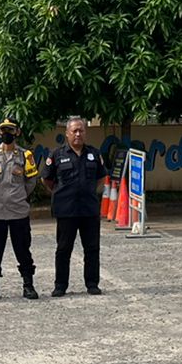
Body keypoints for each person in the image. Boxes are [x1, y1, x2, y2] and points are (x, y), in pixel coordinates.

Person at [42, 116, 108, 296]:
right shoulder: (56, 154)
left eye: (81, 130)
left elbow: (101, 177)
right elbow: (47, 179)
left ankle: (92, 283)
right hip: (66, 210)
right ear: (67, 133)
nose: (78, 134)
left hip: (89, 209)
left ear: (85, 132)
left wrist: (89, 191)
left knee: (92, 249)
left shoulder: (94, 154)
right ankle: (60, 285)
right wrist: (60, 192)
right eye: (74, 131)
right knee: (63, 249)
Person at [0, 112, 39, 302]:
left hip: (18, 212)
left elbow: (31, 181)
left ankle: (28, 284)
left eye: (10, 130)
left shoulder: (25, 155)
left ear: (17, 132)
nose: (6, 133)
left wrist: (19, 196)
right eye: (3, 130)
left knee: (23, 249)